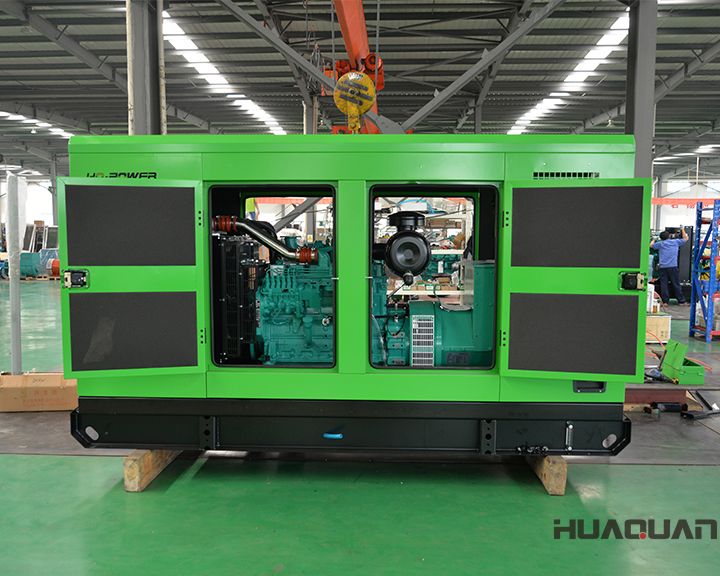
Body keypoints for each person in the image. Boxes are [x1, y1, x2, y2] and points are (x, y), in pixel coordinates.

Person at [650, 228, 689, 305]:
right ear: (669, 236)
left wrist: (654, 239)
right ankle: (681, 301)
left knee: (664, 284)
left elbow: (651, 245)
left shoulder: (660, 244)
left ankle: (665, 302)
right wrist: (682, 229)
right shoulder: (675, 242)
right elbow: (686, 238)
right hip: (673, 266)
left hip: (663, 267)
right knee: (676, 284)